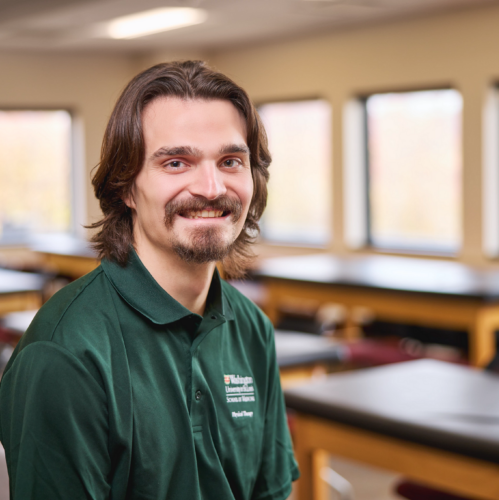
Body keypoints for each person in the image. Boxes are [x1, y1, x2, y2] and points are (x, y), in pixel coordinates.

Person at [0, 61, 299, 499]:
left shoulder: (252, 330)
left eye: (231, 160)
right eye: (177, 162)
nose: (211, 187)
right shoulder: (65, 353)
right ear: (125, 187)